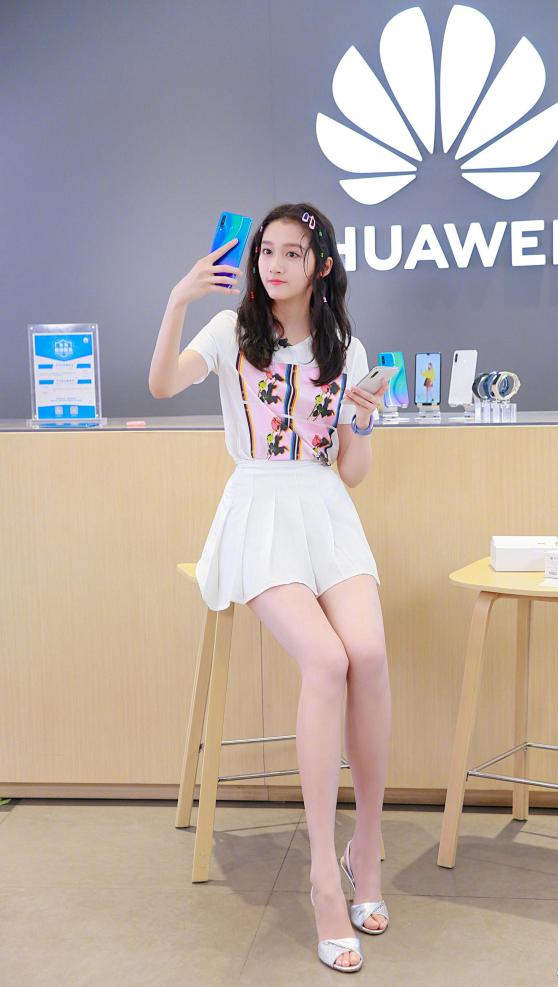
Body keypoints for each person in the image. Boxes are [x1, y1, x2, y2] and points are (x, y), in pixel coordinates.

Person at [149, 202, 391, 973]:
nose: (276, 265)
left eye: (293, 253)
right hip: (258, 509)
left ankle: (366, 847)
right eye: (267, 251)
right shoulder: (231, 332)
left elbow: (352, 470)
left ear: (322, 266)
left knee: (369, 654)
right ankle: (324, 877)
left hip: (326, 510)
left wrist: (364, 422)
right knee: (326, 659)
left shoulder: (345, 346)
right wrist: (178, 299)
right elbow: (162, 384)